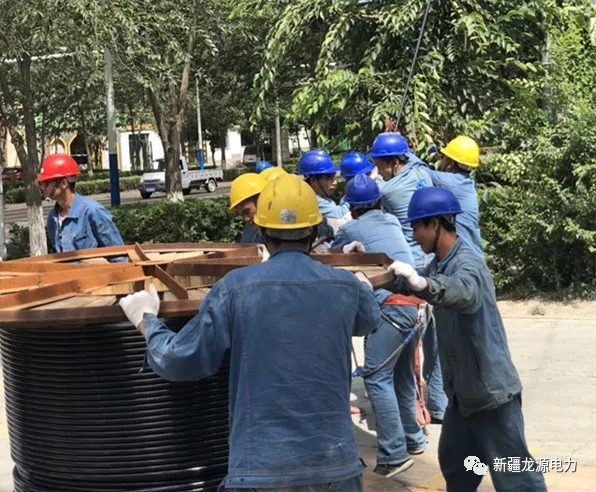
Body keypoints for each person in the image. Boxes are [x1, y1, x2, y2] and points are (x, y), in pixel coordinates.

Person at [118, 174, 381, 492]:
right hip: (336, 468)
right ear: (314, 231)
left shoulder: (235, 289)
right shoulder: (345, 286)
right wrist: (359, 282)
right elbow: (370, 319)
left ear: (262, 232)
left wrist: (146, 320)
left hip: (262, 470)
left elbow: (177, 359)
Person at [385, 187, 547, 492]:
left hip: (490, 395)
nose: (414, 236)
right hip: (462, 397)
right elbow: (417, 282)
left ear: (435, 224)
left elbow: (462, 292)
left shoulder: (467, 263)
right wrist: (373, 268)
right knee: (457, 467)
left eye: (417, 227)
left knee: (517, 480)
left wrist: (422, 283)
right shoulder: (440, 263)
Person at [332, 174, 426, 477]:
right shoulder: (392, 221)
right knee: (401, 376)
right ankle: (413, 438)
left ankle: (394, 454)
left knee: (375, 377)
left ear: (352, 207)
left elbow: (330, 257)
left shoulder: (350, 228)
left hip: (391, 310)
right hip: (414, 306)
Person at [368, 133, 447, 424]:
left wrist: (372, 176)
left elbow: (368, 193)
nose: (377, 169)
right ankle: (438, 405)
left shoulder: (389, 190)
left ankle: (414, 412)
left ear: (393, 162)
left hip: (412, 269)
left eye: (380, 163)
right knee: (434, 342)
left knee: (411, 348)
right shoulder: (421, 172)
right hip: (432, 264)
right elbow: (411, 158)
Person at [37, 153, 126, 261]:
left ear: (64, 183)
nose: (43, 188)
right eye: (41, 184)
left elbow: (119, 256)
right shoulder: (53, 218)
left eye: (46, 183)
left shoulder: (93, 212)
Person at [427, 136, 483, 255]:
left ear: (450, 163)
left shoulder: (451, 182)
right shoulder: (467, 182)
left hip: (464, 257)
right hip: (472, 254)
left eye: (443, 157)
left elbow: (419, 170)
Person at [298, 149, 351, 235]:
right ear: (313, 180)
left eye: (334, 177)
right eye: (328, 178)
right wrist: (354, 193)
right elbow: (339, 214)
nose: (335, 182)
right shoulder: (313, 200)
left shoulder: (311, 195)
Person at [228, 173, 268, 244]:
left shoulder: (282, 232)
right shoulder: (252, 231)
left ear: (261, 200)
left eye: (247, 212)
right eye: (242, 215)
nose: (246, 219)